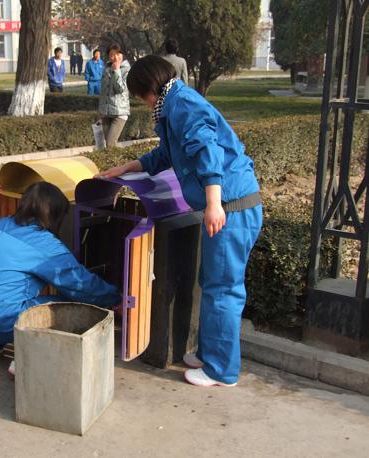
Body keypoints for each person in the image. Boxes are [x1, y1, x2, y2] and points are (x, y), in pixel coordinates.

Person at [97, 55, 262, 388]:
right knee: (212, 282)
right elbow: (167, 154)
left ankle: (221, 371)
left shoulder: (183, 105)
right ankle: (209, 354)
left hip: (231, 207)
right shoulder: (173, 104)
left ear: (147, 88)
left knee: (223, 289)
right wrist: (127, 168)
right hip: (227, 205)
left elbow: (208, 152)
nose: (141, 102)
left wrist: (213, 204)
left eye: (139, 94)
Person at [0, 182, 120, 374]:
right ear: (54, 214)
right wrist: (114, 298)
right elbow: (80, 285)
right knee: (68, 304)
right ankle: (25, 356)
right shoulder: (45, 245)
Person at [99, 43, 131, 147]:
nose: (115, 57)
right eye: (112, 55)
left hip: (120, 112)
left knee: (110, 143)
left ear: (123, 54)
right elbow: (104, 92)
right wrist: (101, 111)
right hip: (106, 112)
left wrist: (117, 71)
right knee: (108, 145)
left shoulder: (127, 70)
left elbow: (120, 89)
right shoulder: (106, 68)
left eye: (118, 54)